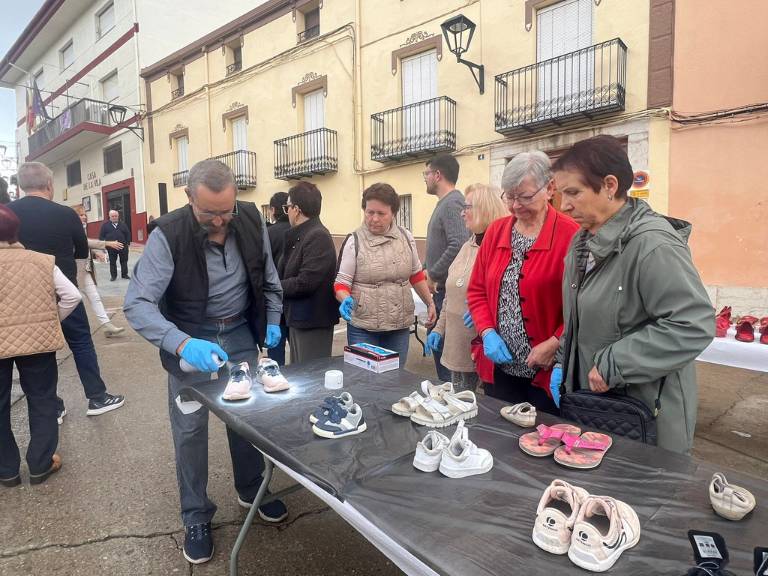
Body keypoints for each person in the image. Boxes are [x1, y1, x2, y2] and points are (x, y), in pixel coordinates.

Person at [123, 159, 287, 565]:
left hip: (239, 335)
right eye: (208, 212)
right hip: (191, 340)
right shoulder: (169, 235)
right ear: (188, 198)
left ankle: (251, 487)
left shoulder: (250, 219)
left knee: (246, 419)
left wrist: (271, 318)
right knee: (190, 430)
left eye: (225, 210)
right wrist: (181, 344)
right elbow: (137, 303)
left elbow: (268, 275)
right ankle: (196, 515)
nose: (218, 221)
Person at [551, 135, 714, 454]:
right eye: (561, 194)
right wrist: (564, 363)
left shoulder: (653, 244)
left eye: (573, 192)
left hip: (646, 420)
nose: (564, 205)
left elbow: (693, 324)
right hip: (596, 409)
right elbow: (581, 319)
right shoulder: (581, 243)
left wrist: (616, 363)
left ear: (609, 185)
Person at [9, 162, 125, 420]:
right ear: (50, 185)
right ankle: (97, 398)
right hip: (65, 291)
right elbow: (82, 251)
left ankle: (53, 406)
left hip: (25, 296)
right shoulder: (65, 214)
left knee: (39, 354)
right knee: (82, 343)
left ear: (20, 186)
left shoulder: (7, 213)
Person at [466, 152, 579, 414]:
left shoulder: (571, 235)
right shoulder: (496, 231)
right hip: (500, 369)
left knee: (540, 443)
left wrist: (555, 343)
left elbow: (583, 304)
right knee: (498, 438)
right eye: (509, 196)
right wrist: (487, 332)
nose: (516, 205)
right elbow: (477, 290)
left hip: (547, 372)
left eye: (525, 197)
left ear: (549, 188)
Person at [0, 205, 82, 487]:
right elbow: (72, 296)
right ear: (15, 231)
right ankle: (40, 463)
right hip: (38, 342)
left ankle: (7, 470)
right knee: (42, 399)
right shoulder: (42, 261)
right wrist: (50, 321)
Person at [335, 183, 436, 365]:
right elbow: (341, 283)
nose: (374, 218)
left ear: (393, 213)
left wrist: (430, 302)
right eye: (369, 212)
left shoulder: (406, 237)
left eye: (381, 214)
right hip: (363, 326)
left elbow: (416, 275)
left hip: (399, 326)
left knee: (395, 380)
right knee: (365, 381)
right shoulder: (354, 241)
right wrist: (344, 298)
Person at [425, 183, 508, 391]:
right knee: (459, 408)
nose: (462, 213)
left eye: (467, 207)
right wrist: (439, 328)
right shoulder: (467, 246)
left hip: (482, 349)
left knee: (481, 412)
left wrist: (486, 314)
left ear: (484, 209)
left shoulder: (499, 248)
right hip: (456, 348)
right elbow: (450, 294)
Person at [278, 182, 339, 363]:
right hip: (298, 318)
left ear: (296, 209)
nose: (286, 211)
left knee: (312, 377)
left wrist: (272, 286)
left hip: (312, 321)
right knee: (300, 375)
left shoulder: (317, 235)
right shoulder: (302, 234)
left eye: (287, 207)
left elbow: (306, 282)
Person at [424, 154, 471, 382]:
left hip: (448, 295)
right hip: (441, 293)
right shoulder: (445, 203)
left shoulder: (452, 203)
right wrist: (426, 268)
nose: (425, 179)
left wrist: (433, 273)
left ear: (438, 175)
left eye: (426, 174)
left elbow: (459, 244)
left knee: (448, 372)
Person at [73, 206, 126, 337]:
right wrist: (106, 244)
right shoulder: (72, 229)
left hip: (84, 269)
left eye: (85, 214)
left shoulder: (81, 228)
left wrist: (96, 253)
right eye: (81, 215)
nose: (84, 217)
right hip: (74, 270)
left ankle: (107, 326)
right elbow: (84, 242)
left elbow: (85, 245)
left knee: (95, 297)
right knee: (72, 299)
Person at [266, 191, 290, 365]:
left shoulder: (268, 233)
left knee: (276, 353)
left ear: (273, 209)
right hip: (297, 300)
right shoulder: (299, 230)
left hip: (275, 300)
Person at [99, 210, 131, 281]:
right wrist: (104, 246)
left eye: (115, 216)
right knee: (112, 262)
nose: (114, 217)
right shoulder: (105, 226)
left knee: (124, 261)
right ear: (109, 217)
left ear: (118, 216)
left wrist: (127, 243)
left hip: (123, 247)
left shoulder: (123, 224)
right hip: (111, 247)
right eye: (112, 216)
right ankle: (113, 276)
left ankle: (124, 274)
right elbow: (101, 236)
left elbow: (128, 234)